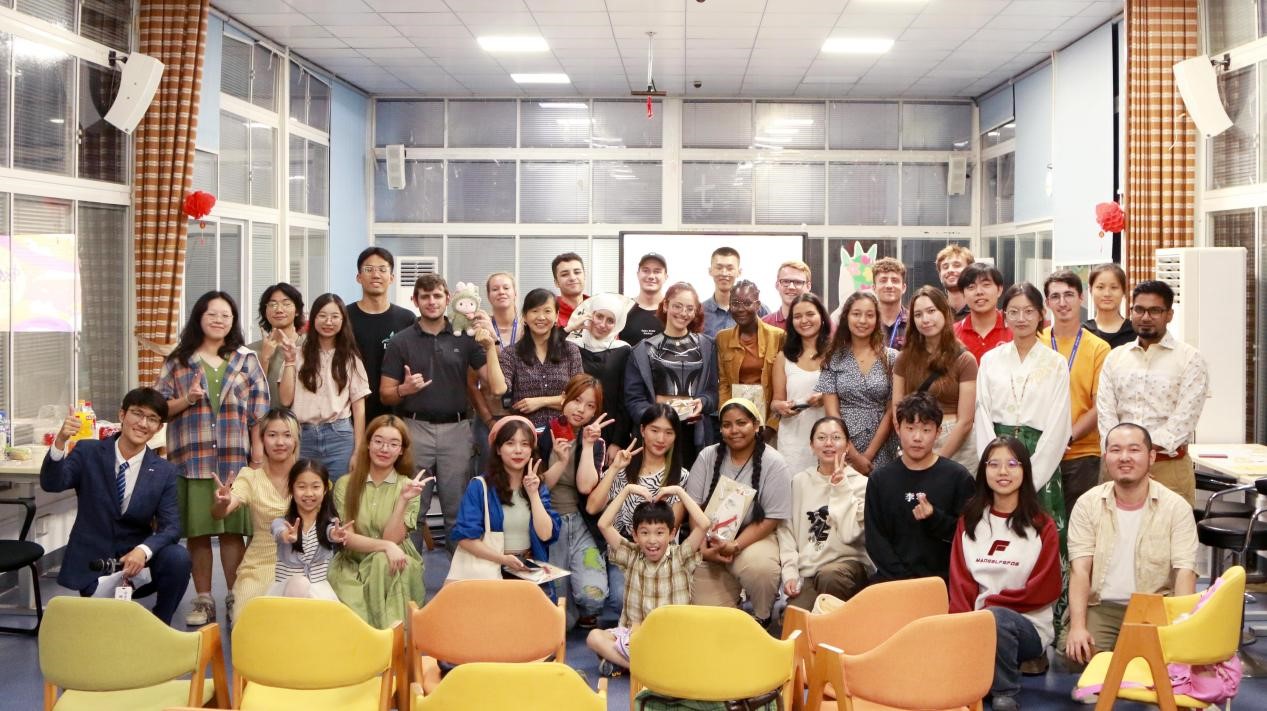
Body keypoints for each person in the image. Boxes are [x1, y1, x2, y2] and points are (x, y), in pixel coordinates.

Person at [156, 290, 268, 627]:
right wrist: (187, 400)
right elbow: (159, 408)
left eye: (226, 315)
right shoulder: (178, 360)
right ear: (199, 318)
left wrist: (257, 451)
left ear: (233, 321)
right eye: (212, 314)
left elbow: (259, 411)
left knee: (233, 531)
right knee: (198, 532)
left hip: (235, 458)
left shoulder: (246, 359)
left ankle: (236, 596)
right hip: (192, 457)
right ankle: (204, 599)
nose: (219, 320)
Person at [39, 388, 190, 625]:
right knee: (102, 627)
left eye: (152, 419)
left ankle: (161, 626)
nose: (143, 424)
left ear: (159, 427)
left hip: (137, 562)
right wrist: (60, 442)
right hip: (93, 559)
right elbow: (52, 483)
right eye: (137, 413)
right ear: (122, 415)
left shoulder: (165, 471)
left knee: (178, 557)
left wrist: (143, 550)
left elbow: (171, 528)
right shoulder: (88, 452)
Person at [380, 273, 506, 549]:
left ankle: (458, 572)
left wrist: (492, 342)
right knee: (412, 508)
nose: (431, 301)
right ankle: (409, 571)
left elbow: (496, 386)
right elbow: (385, 393)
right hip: (415, 429)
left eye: (437, 295)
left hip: (457, 430)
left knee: (457, 509)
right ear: (415, 300)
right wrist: (404, 389)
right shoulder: (401, 341)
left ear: (448, 298)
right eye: (425, 296)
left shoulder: (466, 338)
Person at [1061, 423, 1198, 667]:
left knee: (1161, 662)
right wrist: (1078, 627)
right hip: (1102, 606)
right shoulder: (1087, 504)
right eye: (1116, 450)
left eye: (1134, 450)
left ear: (1151, 457)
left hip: (1154, 606)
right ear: (1106, 457)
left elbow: (1184, 572)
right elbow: (1079, 570)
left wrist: (1181, 629)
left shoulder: (1176, 508)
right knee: (1076, 654)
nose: (1124, 457)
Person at [949, 437, 1061, 711]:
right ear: (983, 470)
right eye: (994, 464)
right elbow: (961, 582)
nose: (1003, 472)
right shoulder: (970, 521)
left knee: (997, 619)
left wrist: (991, 607)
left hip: (1027, 627)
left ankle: (1004, 693)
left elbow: (1045, 588)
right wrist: (962, 626)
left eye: (1012, 464)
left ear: (1024, 471)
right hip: (978, 621)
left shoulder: (1042, 525)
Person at [975, 283, 1072, 550]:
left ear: (1041, 314)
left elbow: (1059, 423)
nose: (1021, 318)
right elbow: (981, 413)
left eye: (1029, 311)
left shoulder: (1055, 363)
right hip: (997, 450)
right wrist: (992, 463)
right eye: (1014, 312)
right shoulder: (990, 360)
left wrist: (1033, 475)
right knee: (998, 532)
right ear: (1004, 315)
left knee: (1040, 533)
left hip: (1040, 453)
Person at [1096, 280, 1209, 505]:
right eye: (1139, 309)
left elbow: (1184, 419)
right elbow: (1105, 412)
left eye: (1155, 311)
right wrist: (1126, 455)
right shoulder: (1115, 357)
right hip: (1118, 466)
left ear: (1169, 315)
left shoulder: (1190, 359)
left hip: (1168, 467)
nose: (1145, 317)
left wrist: (1139, 455)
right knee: (1111, 526)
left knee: (1169, 528)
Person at [587, 481, 711, 676]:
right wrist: (627, 490)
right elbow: (603, 524)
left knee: (699, 646)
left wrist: (679, 491)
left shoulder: (680, 556)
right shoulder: (631, 555)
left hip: (672, 638)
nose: (652, 540)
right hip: (635, 637)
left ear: (672, 534)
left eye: (660, 533)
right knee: (594, 637)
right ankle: (645, 669)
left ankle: (629, 663)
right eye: (644, 533)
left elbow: (704, 524)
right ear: (635, 535)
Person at [687, 398, 791, 627]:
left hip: (755, 537)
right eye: (727, 425)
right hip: (709, 540)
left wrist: (735, 545)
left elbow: (772, 518)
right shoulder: (707, 456)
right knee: (709, 623)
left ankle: (762, 616)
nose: (734, 430)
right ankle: (731, 606)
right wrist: (703, 548)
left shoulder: (774, 462)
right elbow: (693, 507)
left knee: (761, 568)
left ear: (756, 426)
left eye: (741, 423)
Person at [586, 405, 688, 621]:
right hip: (624, 550)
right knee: (619, 598)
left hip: (660, 553)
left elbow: (673, 527)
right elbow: (592, 507)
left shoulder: (681, 476)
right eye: (654, 430)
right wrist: (614, 468)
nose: (661, 438)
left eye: (668, 432)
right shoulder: (623, 468)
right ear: (642, 430)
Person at [328, 415, 430, 628]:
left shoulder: (408, 486)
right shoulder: (345, 484)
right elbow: (348, 538)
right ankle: (389, 638)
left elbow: (393, 539)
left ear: (401, 450)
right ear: (368, 444)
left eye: (393, 444)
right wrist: (386, 546)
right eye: (378, 441)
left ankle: (387, 640)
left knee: (383, 562)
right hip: (353, 562)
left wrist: (403, 500)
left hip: (397, 561)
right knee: (381, 560)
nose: (385, 449)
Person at [864, 392, 973, 583]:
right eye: (910, 428)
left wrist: (935, 517)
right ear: (897, 428)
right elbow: (875, 539)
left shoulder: (958, 477)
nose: (917, 437)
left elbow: (968, 535)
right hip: (893, 581)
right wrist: (904, 580)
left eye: (926, 430)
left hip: (942, 582)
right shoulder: (879, 480)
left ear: (938, 432)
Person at [210, 408, 300, 612]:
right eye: (272, 435)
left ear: (295, 440)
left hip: (299, 564)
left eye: (287, 435)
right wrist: (222, 502)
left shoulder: (307, 475)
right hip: (259, 564)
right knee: (247, 617)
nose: (280, 442)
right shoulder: (249, 476)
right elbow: (220, 513)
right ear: (262, 439)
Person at [777, 416, 871, 610]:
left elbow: (849, 534)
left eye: (836, 437)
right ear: (811, 445)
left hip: (847, 568)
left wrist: (841, 487)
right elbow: (787, 532)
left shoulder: (862, 484)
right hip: (810, 571)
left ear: (847, 445)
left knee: (831, 577)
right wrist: (790, 573)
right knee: (795, 620)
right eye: (821, 438)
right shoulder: (800, 482)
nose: (829, 443)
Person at [624, 282, 719, 468]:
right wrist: (656, 421)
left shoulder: (708, 346)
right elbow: (633, 399)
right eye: (677, 306)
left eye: (690, 308)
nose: (683, 313)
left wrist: (703, 402)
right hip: (656, 437)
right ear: (666, 305)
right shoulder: (643, 350)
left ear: (695, 312)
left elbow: (713, 393)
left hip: (694, 438)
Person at [540, 375, 609, 628]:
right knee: (561, 621)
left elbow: (585, 486)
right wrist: (560, 461)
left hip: (581, 524)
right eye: (577, 401)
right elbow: (539, 487)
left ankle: (581, 604)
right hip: (549, 524)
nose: (581, 410)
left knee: (594, 597)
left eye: (590, 406)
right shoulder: (542, 436)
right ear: (563, 399)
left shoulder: (596, 442)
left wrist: (588, 446)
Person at [1040, 271, 1112, 515]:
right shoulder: (1035, 342)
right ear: (1047, 302)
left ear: (1081, 298)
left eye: (1069, 295)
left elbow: (1099, 406)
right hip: (1038, 449)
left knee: (1078, 524)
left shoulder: (1099, 348)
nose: (1062, 302)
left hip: (1081, 454)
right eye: (1055, 296)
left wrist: (1066, 437)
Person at [451, 416, 561, 573]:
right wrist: (503, 559)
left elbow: (545, 535)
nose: (518, 450)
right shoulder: (479, 486)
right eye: (510, 443)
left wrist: (533, 494)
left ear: (531, 450)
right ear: (498, 449)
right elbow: (465, 538)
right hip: (490, 570)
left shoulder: (537, 487)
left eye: (525, 444)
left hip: (528, 568)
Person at [279, 293, 369, 480]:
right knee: (303, 490)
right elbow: (285, 400)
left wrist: (358, 450)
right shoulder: (297, 354)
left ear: (343, 320)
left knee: (340, 493)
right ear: (313, 318)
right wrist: (289, 361)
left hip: (340, 437)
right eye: (322, 316)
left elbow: (359, 408)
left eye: (335, 316)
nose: (328, 322)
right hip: (303, 436)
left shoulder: (351, 359)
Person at [892, 286, 978, 470]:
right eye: (918, 314)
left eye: (931, 311)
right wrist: (909, 440)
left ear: (944, 312)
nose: (925, 319)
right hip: (916, 439)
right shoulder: (904, 359)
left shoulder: (965, 359)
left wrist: (936, 461)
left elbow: (966, 421)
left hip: (957, 443)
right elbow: (896, 407)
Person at [816, 292, 898, 474]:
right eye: (856, 314)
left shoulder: (892, 358)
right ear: (846, 317)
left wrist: (868, 455)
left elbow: (892, 410)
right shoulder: (832, 358)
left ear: (877, 319)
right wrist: (853, 455)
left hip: (883, 444)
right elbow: (831, 412)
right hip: (841, 444)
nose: (862, 320)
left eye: (869, 315)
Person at [346, 247, 418, 423]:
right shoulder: (344, 316)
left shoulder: (406, 319)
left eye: (382, 269)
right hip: (350, 411)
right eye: (368, 269)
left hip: (395, 412)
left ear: (391, 278)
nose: (375, 275)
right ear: (358, 277)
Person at [499, 288, 583, 429]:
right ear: (525, 317)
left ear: (556, 316)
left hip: (564, 433)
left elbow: (579, 396)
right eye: (535, 311)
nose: (541, 317)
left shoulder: (571, 351)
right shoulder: (511, 353)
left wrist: (540, 402)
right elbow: (502, 389)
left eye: (547, 311)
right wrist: (492, 347)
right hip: (525, 434)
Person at [269, 459, 347, 600]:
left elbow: (330, 531)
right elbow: (278, 530)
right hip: (288, 593)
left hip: (319, 592)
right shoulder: (283, 523)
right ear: (291, 489)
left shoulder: (329, 524)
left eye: (315, 487)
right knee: (300, 584)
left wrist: (334, 535)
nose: (309, 493)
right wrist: (285, 535)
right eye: (302, 487)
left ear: (325, 490)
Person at [770, 294, 830, 474]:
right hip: (793, 441)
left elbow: (847, 394)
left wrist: (826, 397)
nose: (804, 320)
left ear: (821, 317)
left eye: (810, 314)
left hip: (828, 439)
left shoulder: (836, 352)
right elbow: (775, 401)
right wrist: (780, 406)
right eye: (797, 316)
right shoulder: (783, 357)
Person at [568, 293, 633, 458]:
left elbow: (624, 398)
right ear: (590, 315)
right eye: (599, 316)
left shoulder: (623, 350)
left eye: (610, 320)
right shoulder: (571, 346)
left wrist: (617, 441)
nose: (603, 324)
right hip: (573, 426)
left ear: (617, 324)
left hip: (609, 429)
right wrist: (571, 328)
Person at [471, 271, 520, 476]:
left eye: (506, 287)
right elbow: (471, 383)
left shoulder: (528, 329)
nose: (501, 292)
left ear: (515, 293)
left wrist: (496, 342)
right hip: (489, 416)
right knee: (487, 475)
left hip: (523, 415)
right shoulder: (478, 330)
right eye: (495, 289)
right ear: (488, 296)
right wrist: (489, 420)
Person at [716, 280, 785, 423]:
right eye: (735, 304)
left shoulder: (778, 336)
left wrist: (772, 425)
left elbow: (784, 387)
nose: (741, 309)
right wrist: (726, 420)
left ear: (758, 305)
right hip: (736, 418)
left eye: (747, 303)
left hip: (769, 417)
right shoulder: (723, 338)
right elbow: (724, 384)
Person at [247, 282, 304, 407]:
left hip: (302, 419)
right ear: (265, 311)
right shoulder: (249, 351)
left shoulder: (309, 346)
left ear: (297, 311)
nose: (279, 310)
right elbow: (247, 395)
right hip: (264, 418)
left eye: (286, 304)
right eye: (272, 304)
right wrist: (264, 359)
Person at [702, 247, 767, 338]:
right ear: (710, 271)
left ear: (739, 272)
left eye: (730, 268)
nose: (724, 273)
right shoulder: (699, 311)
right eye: (719, 267)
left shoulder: (758, 309)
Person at [952, 262, 1011, 363]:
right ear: (963, 294)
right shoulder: (952, 334)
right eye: (971, 287)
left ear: (999, 290)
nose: (979, 292)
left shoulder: (1015, 328)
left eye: (986, 285)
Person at [619, 252, 668, 346]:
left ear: (666, 276)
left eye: (657, 271)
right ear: (638, 274)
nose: (651, 276)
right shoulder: (624, 308)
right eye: (645, 270)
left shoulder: (672, 311)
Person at [1083, 263, 1136, 349]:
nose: (1107, 294)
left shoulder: (1135, 333)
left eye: (1114, 287)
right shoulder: (1082, 332)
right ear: (1090, 290)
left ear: (1124, 291)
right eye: (1100, 287)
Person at [762, 261, 813, 330]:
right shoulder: (764, 325)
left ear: (808, 286)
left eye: (798, 282)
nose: (791, 287)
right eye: (786, 281)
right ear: (777, 285)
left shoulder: (819, 324)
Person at [873, 257, 909, 350]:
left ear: (903, 288)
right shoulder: (865, 322)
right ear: (874, 288)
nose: (889, 285)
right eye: (883, 280)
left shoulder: (914, 322)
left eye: (895, 280)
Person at [935, 244, 975, 319]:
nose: (950, 270)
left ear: (970, 272)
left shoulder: (981, 310)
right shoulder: (936, 313)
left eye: (957, 265)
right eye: (945, 267)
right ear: (940, 276)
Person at [552, 252, 589, 330]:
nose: (572, 278)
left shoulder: (598, 308)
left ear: (584, 277)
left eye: (577, 272)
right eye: (565, 274)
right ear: (556, 283)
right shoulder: (549, 313)